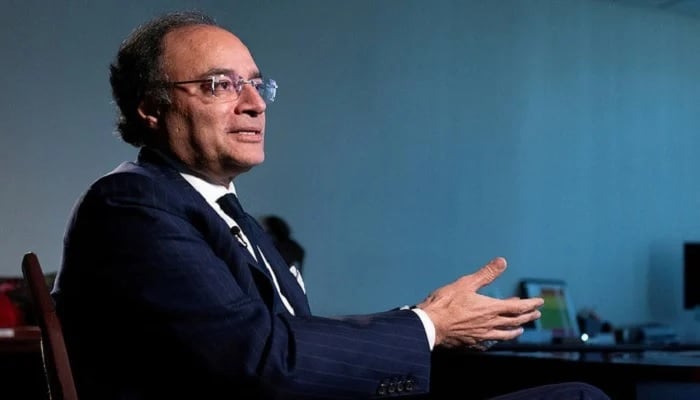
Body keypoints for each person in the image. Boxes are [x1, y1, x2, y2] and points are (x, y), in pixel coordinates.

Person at [52, 10, 611, 400]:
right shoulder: (132, 203)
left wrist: (429, 322)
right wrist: (427, 327)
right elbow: (262, 361)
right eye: (221, 84)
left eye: (256, 84)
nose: (253, 104)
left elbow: (292, 340)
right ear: (152, 108)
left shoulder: (228, 213)